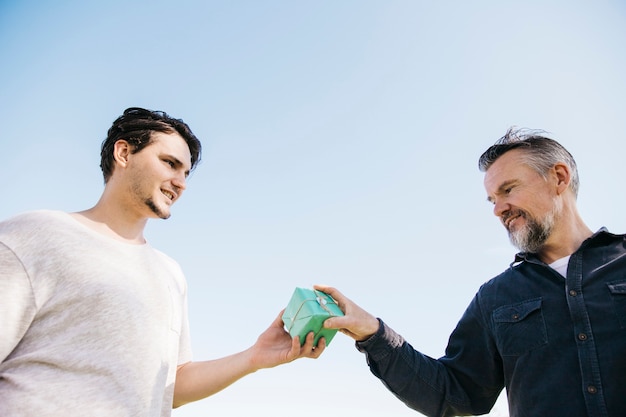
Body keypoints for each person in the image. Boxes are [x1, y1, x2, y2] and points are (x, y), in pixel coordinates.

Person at [0, 107, 325, 416]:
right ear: (124, 153)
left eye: (186, 172)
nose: (181, 183)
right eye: (169, 163)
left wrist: (252, 357)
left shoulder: (170, 273)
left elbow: (174, 387)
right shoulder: (37, 233)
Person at [316, 128, 626, 417]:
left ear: (559, 177)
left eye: (509, 190)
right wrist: (373, 332)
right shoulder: (496, 296)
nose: (498, 209)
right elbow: (454, 393)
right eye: (492, 199)